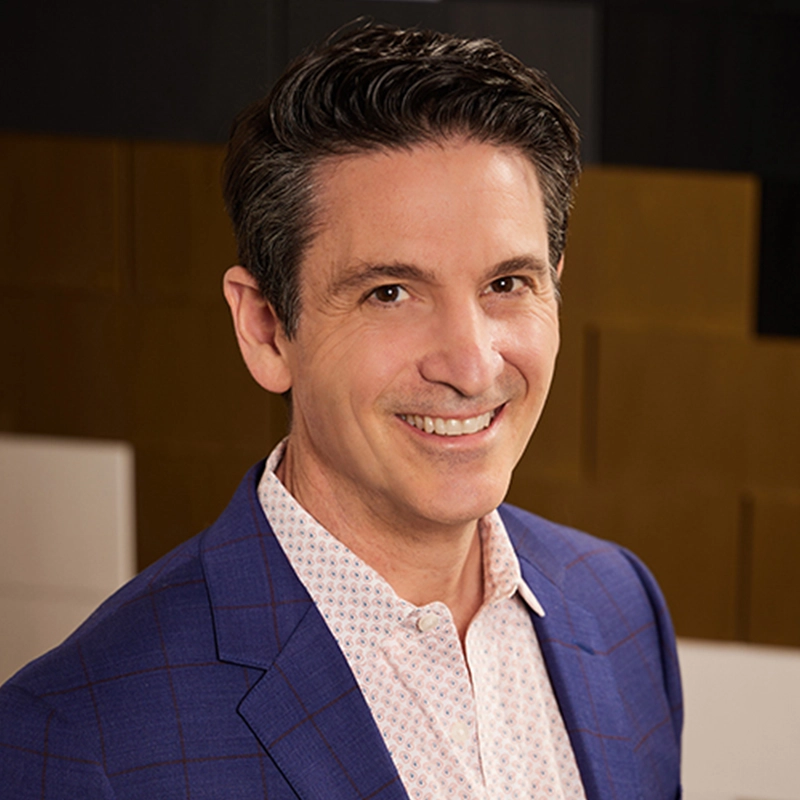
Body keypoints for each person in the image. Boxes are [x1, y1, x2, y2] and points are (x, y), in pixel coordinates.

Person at [0, 22, 682, 799]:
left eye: (506, 284)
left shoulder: (620, 607)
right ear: (266, 329)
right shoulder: (76, 738)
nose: (470, 364)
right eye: (389, 292)